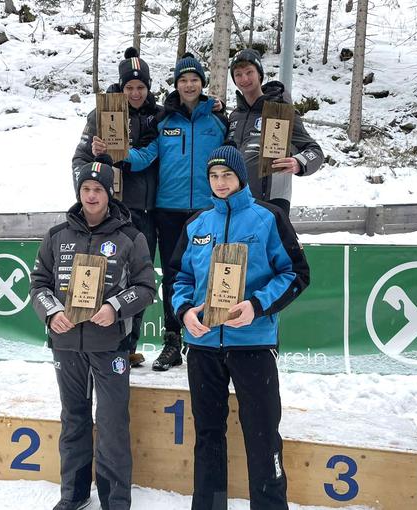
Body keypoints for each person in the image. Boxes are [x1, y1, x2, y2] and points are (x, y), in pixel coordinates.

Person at [170, 144, 310, 509]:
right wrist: (184, 312)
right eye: (213, 177)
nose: (220, 183)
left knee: (263, 437)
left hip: (253, 344)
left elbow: (296, 273)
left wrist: (257, 305)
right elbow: (178, 278)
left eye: (227, 175)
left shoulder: (268, 218)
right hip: (202, 347)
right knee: (209, 435)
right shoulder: (196, 224)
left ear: (241, 177)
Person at [30, 155, 156, 510]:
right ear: (79, 191)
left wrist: (114, 307)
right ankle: (74, 494)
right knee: (73, 419)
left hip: (110, 344)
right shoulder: (57, 235)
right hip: (66, 344)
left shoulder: (131, 236)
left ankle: (116, 500)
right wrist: (52, 313)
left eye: (97, 189)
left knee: (113, 422)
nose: (91, 195)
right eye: (85, 188)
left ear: (109, 193)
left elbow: (147, 287)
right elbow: (39, 283)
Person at [93, 53, 228, 372]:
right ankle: (172, 341)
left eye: (194, 79)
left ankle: (209, 343)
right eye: (183, 80)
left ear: (202, 84)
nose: (189, 84)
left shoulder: (219, 120)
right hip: (168, 210)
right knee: (173, 276)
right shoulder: (163, 120)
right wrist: (116, 154)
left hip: (208, 211)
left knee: (210, 276)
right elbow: (145, 156)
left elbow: (231, 157)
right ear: (176, 84)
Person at [72, 47, 162, 368]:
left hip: (148, 212)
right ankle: (96, 342)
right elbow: (79, 161)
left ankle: (129, 345)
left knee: (140, 280)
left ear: (149, 87)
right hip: (113, 213)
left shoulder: (160, 116)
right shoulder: (101, 115)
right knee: (105, 277)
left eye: (141, 87)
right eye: (129, 87)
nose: (135, 93)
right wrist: (88, 201)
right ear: (121, 87)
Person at [227, 48, 324, 215]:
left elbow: (315, 152)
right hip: (236, 201)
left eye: (249, 72)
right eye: (238, 74)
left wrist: (298, 163)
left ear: (260, 75)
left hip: (271, 202)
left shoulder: (281, 111)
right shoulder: (235, 116)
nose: (244, 79)